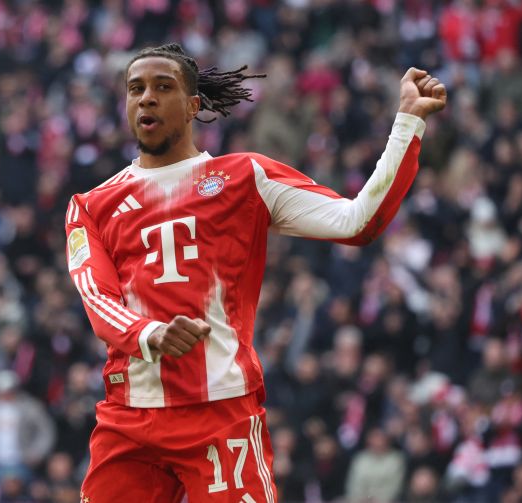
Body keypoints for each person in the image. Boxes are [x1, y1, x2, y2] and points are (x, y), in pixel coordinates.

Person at [64, 43, 447, 502]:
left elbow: (357, 222)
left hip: (220, 411)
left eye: (162, 87)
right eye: (135, 89)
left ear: (192, 106)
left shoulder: (245, 177)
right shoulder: (90, 206)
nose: (146, 98)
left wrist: (407, 121)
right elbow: (96, 296)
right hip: (130, 418)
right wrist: (150, 334)